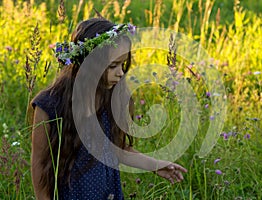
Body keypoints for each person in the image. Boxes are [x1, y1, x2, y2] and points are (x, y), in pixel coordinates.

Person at [31, 17, 187, 200]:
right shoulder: (50, 105)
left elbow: (118, 150)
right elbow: (39, 163)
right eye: (113, 66)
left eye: (123, 65)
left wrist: (155, 164)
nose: (121, 73)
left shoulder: (112, 98)